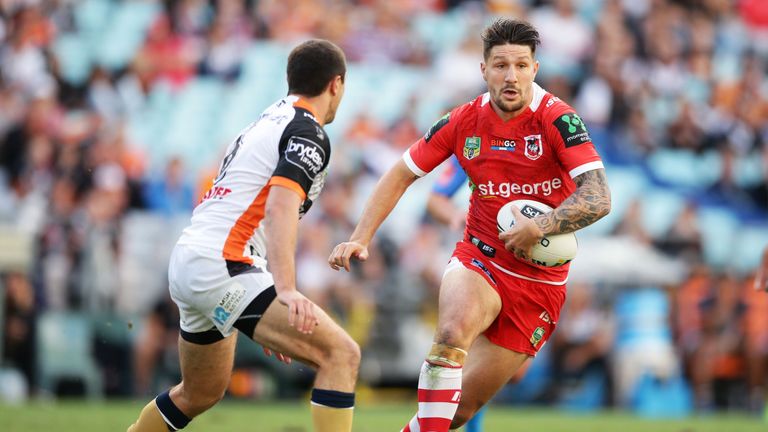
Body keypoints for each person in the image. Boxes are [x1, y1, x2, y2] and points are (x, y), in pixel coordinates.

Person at [329, 18, 611, 432]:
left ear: (534, 69)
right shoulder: (463, 121)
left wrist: (540, 226)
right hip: (480, 258)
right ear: (483, 70)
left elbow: (599, 197)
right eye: (500, 65)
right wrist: (360, 237)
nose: (511, 76)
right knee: (451, 333)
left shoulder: (558, 120)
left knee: (458, 412)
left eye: (520, 65)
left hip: (539, 284)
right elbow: (402, 173)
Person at [127, 39, 360, 432]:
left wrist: (263, 295)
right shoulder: (308, 132)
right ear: (336, 84)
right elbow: (279, 208)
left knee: (199, 392)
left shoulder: (265, 120)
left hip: (193, 259)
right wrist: (284, 291)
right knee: (341, 354)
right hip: (224, 264)